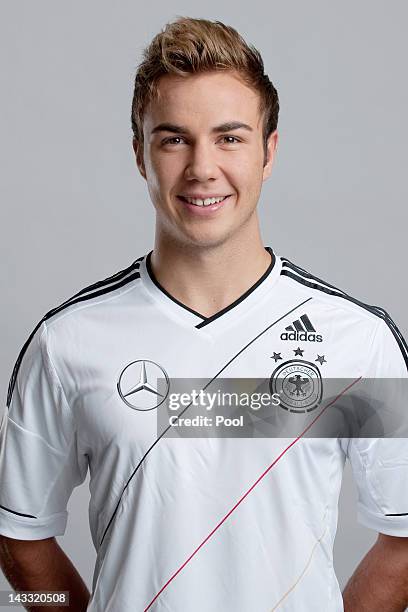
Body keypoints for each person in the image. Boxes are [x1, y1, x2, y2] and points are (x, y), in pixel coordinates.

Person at [0, 15, 407, 612]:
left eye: (230, 137)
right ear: (141, 154)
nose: (201, 168)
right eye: (173, 139)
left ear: (269, 152)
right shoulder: (66, 344)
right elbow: (18, 535)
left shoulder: (359, 340)